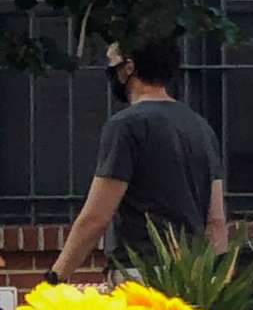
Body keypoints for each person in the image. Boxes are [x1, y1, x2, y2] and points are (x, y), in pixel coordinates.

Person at [46, 33, 225, 283]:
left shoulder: (126, 125)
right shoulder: (200, 127)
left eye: (112, 63)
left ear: (129, 68)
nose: (110, 71)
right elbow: (215, 220)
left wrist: (56, 277)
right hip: (193, 275)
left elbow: (96, 217)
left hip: (140, 271)